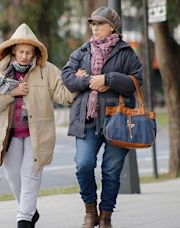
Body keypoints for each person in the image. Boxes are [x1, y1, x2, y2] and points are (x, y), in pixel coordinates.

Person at [0, 23, 77, 228]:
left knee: (29, 176)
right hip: (9, 134)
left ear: (35, 52)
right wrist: (12, 94)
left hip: (38, 134)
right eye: (21, 51)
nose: (25, 56)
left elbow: (63, 95)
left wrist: (78, 83)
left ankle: (24, 220)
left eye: (29, 52)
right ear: (14, 50)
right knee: (13, 176)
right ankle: (29, 211)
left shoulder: (48, 70)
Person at [61, 7, 143, 228]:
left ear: (111, 27)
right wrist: (89, 80)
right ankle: (90, 211)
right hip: (86, 121)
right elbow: (66, 76)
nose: (95, 28)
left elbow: (136, 82)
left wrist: (109, 78)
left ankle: (106, 216)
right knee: (83, 165)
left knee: (111, 171)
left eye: (99, 24)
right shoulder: (83, 51)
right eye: (93, 24)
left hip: (117, 121)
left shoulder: (126, 52)